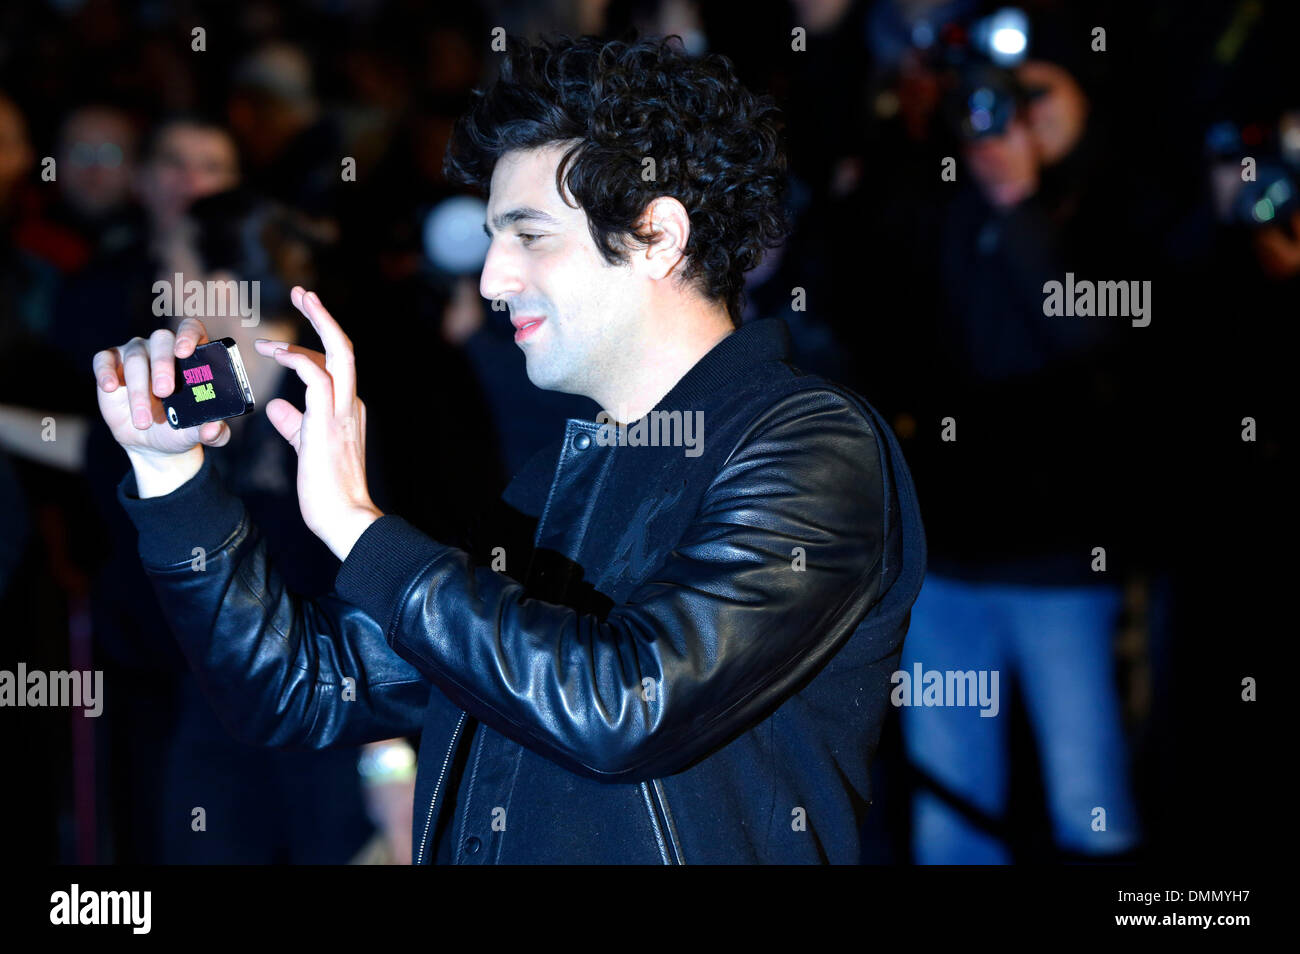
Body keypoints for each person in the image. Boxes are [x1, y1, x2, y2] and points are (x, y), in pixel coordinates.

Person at [90, 34, 925, 864]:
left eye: (529, 235)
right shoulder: (555, 483)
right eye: (494, 236)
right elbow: (296, 691)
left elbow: (625, 708)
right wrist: (173, 479)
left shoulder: (813, 445)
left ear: (656, 235)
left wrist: (359, 528)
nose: (492, 277)